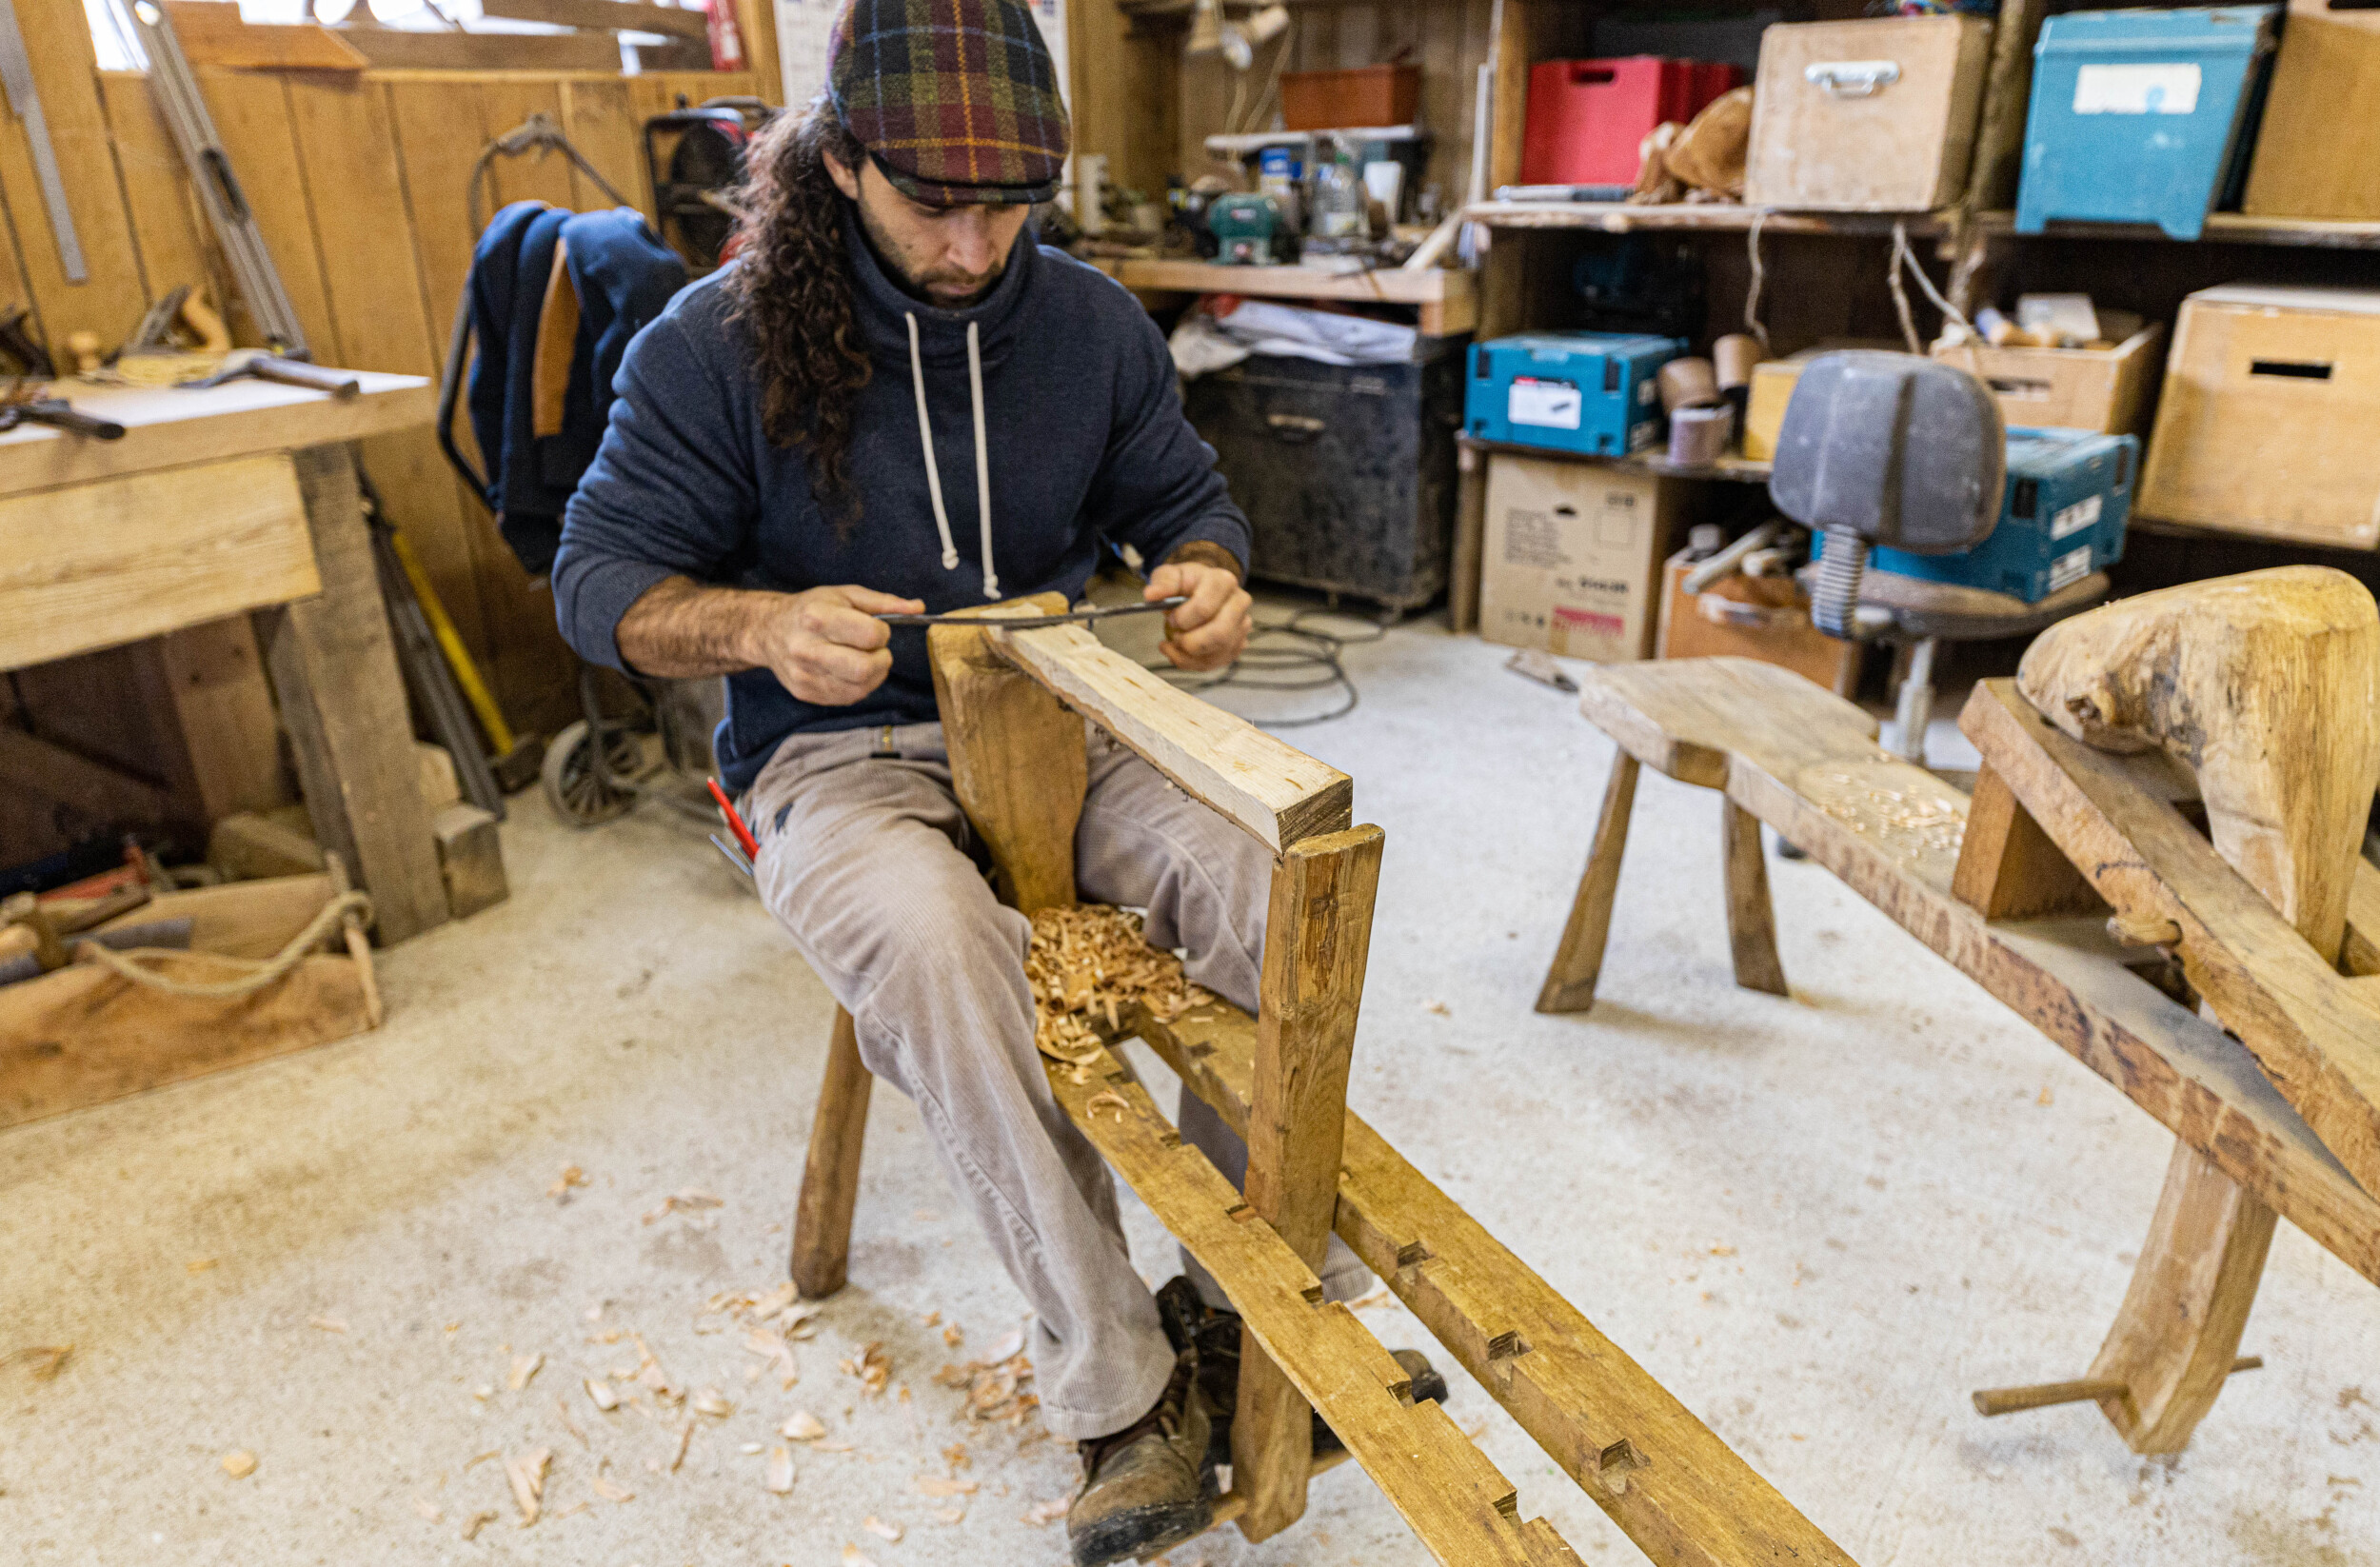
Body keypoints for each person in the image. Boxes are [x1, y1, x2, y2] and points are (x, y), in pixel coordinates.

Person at [552, 2, 1430, 1558]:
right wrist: (756, 623)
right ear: (838, 166)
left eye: (1007, 206)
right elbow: (596, 582)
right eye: (931, 205)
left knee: (1269, 889)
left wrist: (1211, 578)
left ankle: (1243, 1311)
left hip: (1062, 720)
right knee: (946, 948)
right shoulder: (714, 342)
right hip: (834, 754)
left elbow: (1187, 503)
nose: (972, 247)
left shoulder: (1086, 326)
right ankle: (1123, 1389)